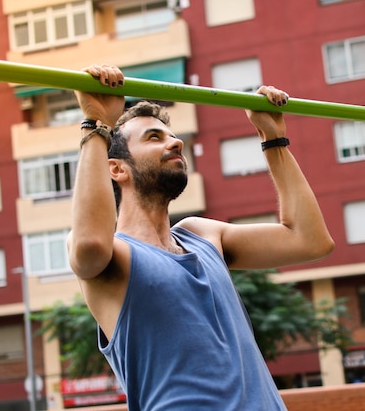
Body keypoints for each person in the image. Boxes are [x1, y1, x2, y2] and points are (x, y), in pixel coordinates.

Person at [67, 64, 335, 411]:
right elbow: (89, 245)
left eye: (171, 135)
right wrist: (96, 124)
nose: (175, 141)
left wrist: (273, 138)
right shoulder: (115, 255)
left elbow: (310, 240)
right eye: (154, 137)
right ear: (116, 168)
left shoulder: (201, 235)